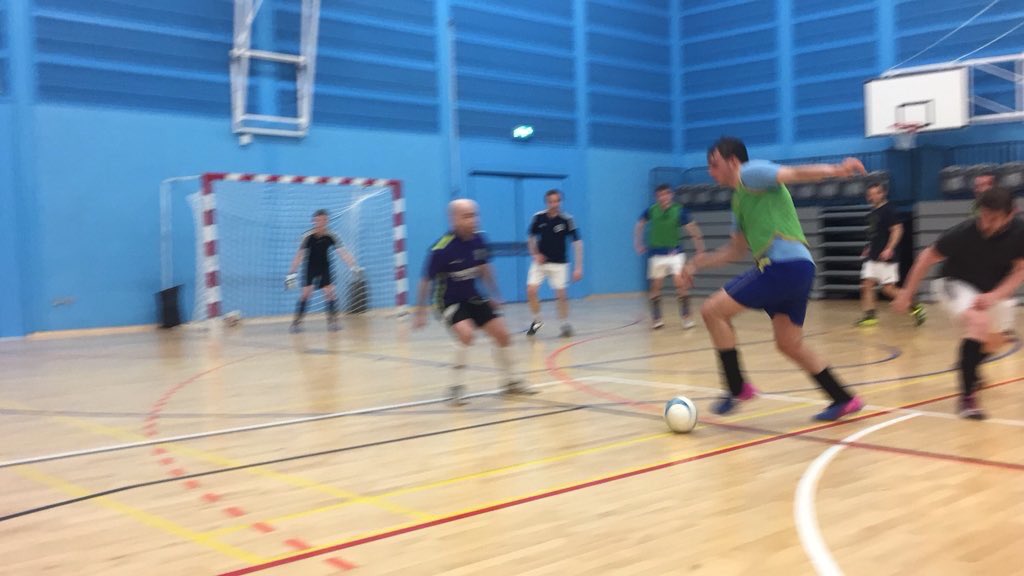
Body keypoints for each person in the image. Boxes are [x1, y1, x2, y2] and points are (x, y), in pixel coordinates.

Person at [681, 136, 865, 421]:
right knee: (789, 343)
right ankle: (843, 398)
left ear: (733, 162)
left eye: (714, 164)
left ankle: (737, 387)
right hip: (798, 269)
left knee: (712, 311)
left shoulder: (750, 173)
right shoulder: (738, 200)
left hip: (783, 267)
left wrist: (837, 170)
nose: (710, 171)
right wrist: (696, 264)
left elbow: (792, 174)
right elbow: (736, 250)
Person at [893, 187, 1024, 420]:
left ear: (1010, 215)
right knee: (978, 322)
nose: (985, 223)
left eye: (993, 219)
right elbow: (926, 258)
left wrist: (996, 295)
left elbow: (1021, 269)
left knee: (1000, 340)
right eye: (982, 215)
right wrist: (906, 293)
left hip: (989, 290)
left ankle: (968, 364)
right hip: (953, 282)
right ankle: (967, 400)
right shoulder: (963, 233)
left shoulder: (1020, 233)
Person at [413, 199, 532, 405]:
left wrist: (495, 294)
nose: (473, 220)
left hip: (473, 297)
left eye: (475, 215)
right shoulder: (441, 248)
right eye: (467, 216)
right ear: (454, 219)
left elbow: (485, 268)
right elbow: (425, 280)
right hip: (448, 300)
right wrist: (420, 311)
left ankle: (511, 382)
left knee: (503, 335)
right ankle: (455, 388)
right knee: (466, 335)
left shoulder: (479, 240)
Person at [634, 184, 705, 329]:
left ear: (671, 195)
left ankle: (686, 317)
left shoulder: (679, 211)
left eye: (666, 194)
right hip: (656, 254)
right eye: (660, 195)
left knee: (680, 282)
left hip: (675, 253)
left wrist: (699, 248)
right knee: (656, 286)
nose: (663, 197)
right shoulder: (651, 210)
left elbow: (692, 228)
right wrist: (638, 242)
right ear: (656, 197)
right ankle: (657, 318)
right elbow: (640, 224)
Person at [856, 183, 926, 327]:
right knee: (866, 284)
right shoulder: (873, 212)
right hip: (873, 256)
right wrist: (868, 247)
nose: (872, 196)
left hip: (885, 257)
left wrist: (889, 248)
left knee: (888, 289)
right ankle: (870, 316)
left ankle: (915, 307)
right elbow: (875, 235)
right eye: (870, 194)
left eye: (875, 193)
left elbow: (897, 229)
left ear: (882, 194)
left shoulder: (888, 210)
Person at [286, 209, 358, 332]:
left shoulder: (331, 236)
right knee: (305, 294)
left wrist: (354, 266)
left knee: (330, 293)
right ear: (314, 221)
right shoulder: (307, 237)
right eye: (318, 220)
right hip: (310, 267)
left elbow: (343, 253)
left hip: (325, 267)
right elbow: (299, 255)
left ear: (327, 221)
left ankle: (333, 322)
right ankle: (296, 323)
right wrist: (291, 273)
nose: (321, 222)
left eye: (324, 220)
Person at [526, 189, 584, 338]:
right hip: (541, 263)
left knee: (561, 296)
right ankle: (537, 320)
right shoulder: (538, 218)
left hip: (559, 264)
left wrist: (578, 267)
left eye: (557, 201)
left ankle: (564, 324)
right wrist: (535, 254)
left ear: (560, 202)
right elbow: (531, 237)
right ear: (547, 202)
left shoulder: (567, 220)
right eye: (551, 201)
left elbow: (577, 243)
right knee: (531, 290)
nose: (554, 204)